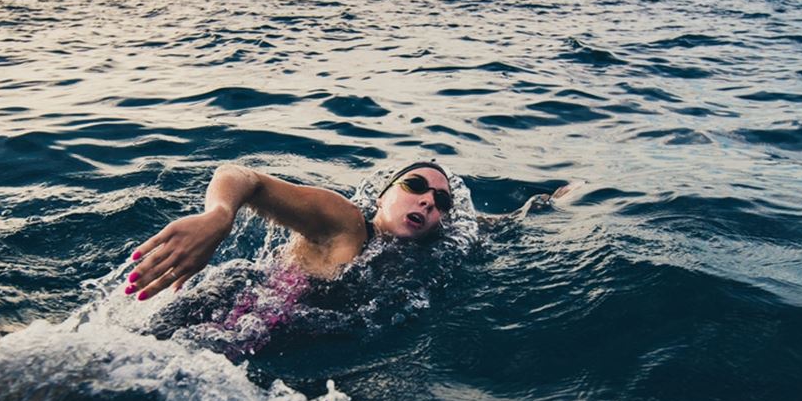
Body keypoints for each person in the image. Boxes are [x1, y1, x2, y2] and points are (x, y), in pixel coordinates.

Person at [123, 161, 572, 300]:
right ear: (381, 196)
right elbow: (244, 178)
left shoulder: (433, 243)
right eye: (415, 186)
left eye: (440, 202)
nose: (427, 201)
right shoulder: (343, 223)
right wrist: (219, 217)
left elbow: (495, 224)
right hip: (229, 314)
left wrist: (550, 203)